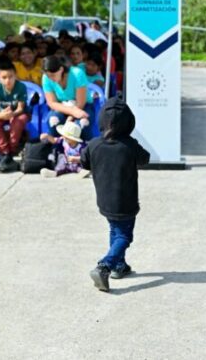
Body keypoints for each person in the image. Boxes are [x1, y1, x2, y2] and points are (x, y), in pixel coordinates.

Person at [81, 94, 151, 292]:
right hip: (125, 201)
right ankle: (105, 266)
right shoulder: (129, 144)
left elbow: (84, 162)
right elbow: (145, 158)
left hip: (104, 200)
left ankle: (119, 266)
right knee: (124, 236)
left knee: (114, 229)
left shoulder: (93, 144)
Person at [0, 59, 29, 173]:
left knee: (18, 121)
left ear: (15, 75)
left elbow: (20, 108)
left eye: (11, 77)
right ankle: (5, 153)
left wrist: (11, 114)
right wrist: (0, 115)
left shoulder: (21, 87)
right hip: (2, 114)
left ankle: (11, 152)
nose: (8, 80)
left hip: (17, 114)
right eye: (4, 77)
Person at [42, 55, 92, 139]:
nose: (50, 79)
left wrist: (70, 118)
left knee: (82, 123)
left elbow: (81, 103)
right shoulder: (46, 78)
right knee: (53, 120)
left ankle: (85, 146)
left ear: (61, 69)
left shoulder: (77, 74)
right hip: (62, 106)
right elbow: (52, 102)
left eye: (53, 75)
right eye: (48, 76)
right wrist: (72, 111)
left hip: (83, 106)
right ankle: (56, 145)